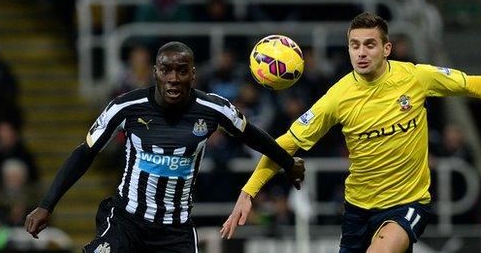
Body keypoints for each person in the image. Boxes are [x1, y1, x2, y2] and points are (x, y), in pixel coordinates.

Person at [220, 12, 481, 253]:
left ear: (386, 48)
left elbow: (471, 84)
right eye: (354, 45)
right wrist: (248, 192)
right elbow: (283, 144)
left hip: (408, 203)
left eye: (370, 44)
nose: (361, 53)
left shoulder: (415, 77)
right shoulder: (337, 98)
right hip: (358, 209)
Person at [24, 41, 305, 252]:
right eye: (166, 70)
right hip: (127, 222)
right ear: (155, 72)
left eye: (181, 71)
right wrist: (47, 205)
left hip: (175, 231)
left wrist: (288, 163)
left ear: (192, 75)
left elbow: (252, 135)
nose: (173, 78)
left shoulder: (214, 110)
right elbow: (85, 152)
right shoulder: (126, 107)